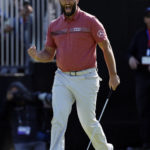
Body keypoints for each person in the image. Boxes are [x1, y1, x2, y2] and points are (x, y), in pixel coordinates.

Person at [27, 0, 120, 149]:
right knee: (58, 119)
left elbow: (106, 46)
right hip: (62, 78)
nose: (67, 2)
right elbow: (49, 54)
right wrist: (37, 56)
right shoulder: (54, 25)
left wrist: (113, 75)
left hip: (87, 77)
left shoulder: (90, 21)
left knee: (87, 122)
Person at [2, 81, 52, 150]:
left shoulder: (32, 101)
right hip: (21, 141)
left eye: (17, 92)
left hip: (37, 139)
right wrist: (7, 101)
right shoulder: (9, 105)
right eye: (13, 93)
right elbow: (3, 116)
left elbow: (46, 114)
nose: (15, 95)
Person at [128, 7, 150, 150]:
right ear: (145, 19)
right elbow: (129, 52)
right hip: (143, 77)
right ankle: (146, 142)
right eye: (148, 16)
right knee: (143, 109)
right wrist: (130, 59)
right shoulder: (140, 35)